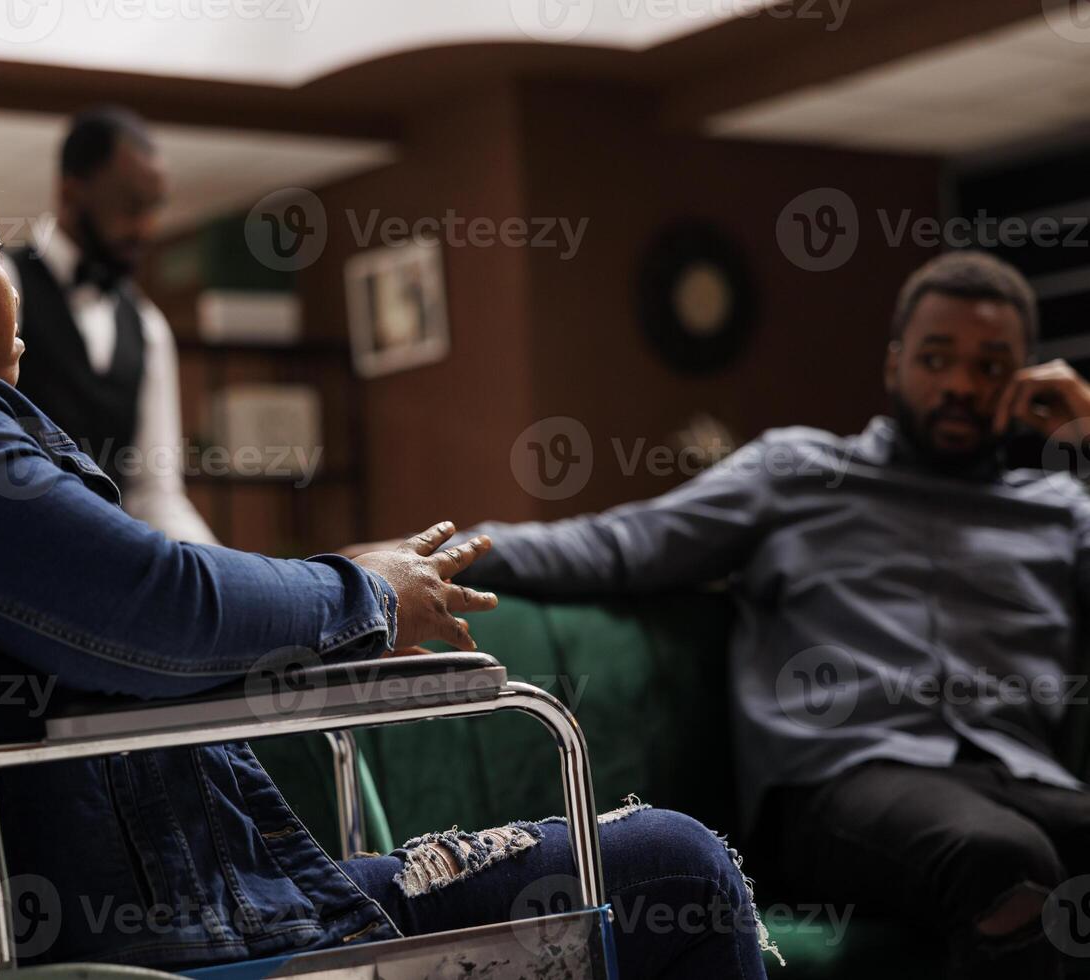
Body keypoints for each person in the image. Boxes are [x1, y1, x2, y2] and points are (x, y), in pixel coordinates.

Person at [0, 95, 771, 978]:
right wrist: (362, 595)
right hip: (167, 935)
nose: (12, 282)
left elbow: (122, 581)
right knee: (673, 861)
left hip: (81, 918)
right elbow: (155, 607)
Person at [441, 250, 1090, 977]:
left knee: (1020, 839)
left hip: (1020, 772)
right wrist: (430, 556)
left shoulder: (1061, 511)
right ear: (894, 363)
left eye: (991, 365)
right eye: (937, 358)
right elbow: (620, 544)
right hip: (843, 781)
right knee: (1004, 858)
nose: (961, 385)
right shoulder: (800, 471)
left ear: (1028, 378)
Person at [6, 106, 215, 544]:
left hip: (105, 564)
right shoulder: (6, 285)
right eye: (130, 207)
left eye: (154, 209)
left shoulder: (148, 324)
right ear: (71, 192)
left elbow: (155, 493)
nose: (146, 228)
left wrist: (227, 572)